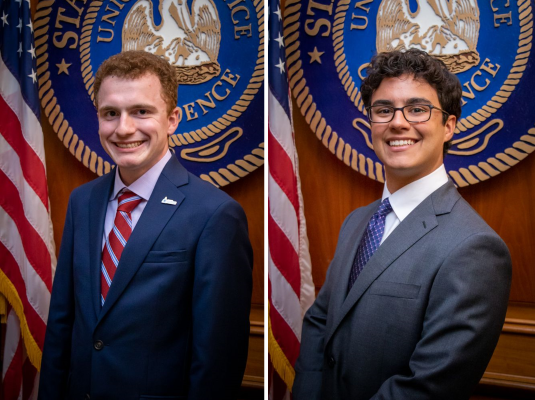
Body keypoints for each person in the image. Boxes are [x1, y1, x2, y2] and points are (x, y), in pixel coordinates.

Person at [293, 49, 512, 400]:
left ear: (449, 126)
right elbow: (321, 323)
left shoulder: (475, 248)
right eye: (383, 110)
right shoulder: (356, 222)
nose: (398, 122)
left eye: (417, 109)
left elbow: (429, 387)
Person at [39, 50, 253, 399]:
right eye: (111, 114)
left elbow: (217, 359)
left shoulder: (215, 215)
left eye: (141, 111)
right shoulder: (82, 202)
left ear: (172, 119)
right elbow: (62, 323)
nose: (124, 129)